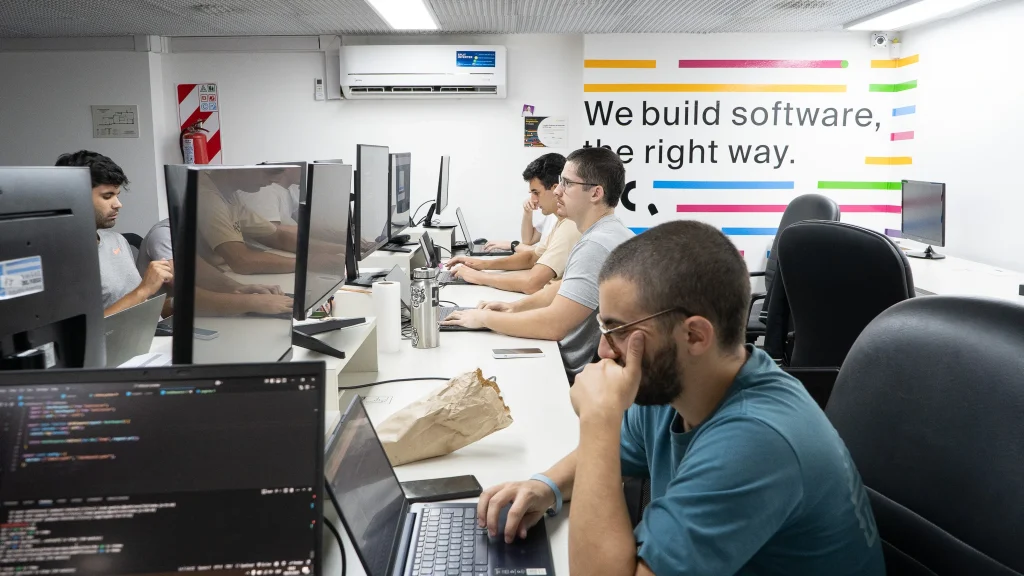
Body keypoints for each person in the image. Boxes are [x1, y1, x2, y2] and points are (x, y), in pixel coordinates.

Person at [474, 221, 885, 576]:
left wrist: (598, 419)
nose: (603, 350)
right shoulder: (678, 383)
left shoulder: (757, 441)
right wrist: (545, 486)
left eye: (618, 329)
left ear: (694, 336)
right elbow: (616, 452)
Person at [442, 147, 634, 378]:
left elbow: (553, 325)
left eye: (567, 183)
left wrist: (484, 318)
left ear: (595, 193)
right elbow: (562, 289)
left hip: (569, 371)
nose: (558, 191)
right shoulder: (609, 231)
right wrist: (514, 307)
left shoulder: (596, 244)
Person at [55, 151, 173, 317]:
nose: (118, 204)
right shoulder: (59, 257)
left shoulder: (117, 241)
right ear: (74, 197)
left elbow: (139, 307)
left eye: (117, 195)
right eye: (107, 196)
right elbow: (83, 331)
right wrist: (143, 290)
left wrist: (181, 302)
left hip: (145, 337)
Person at [445, 154, 582, 294]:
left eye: (536, 192)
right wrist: (483, 264)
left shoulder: (571, 225)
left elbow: (531, 284)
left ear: (555, 189)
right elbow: (532, 257)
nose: (533, 200)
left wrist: (479, 277)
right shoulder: (561, 221)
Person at [137, 218, 294, 317]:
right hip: (164, 319)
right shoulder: (165, 235)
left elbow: (202, 272)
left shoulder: (196, 228)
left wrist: (240, 288)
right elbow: (184, 292)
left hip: (193, 310)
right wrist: (253, 302)